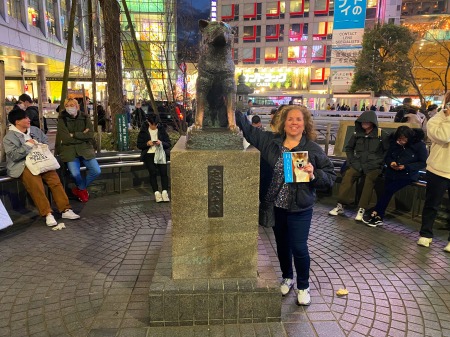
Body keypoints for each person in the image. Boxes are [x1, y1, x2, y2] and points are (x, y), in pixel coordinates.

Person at [236, 105, 336, 306]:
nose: (294, 123)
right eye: (290, 119)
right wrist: (232, 107)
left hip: (299, 208)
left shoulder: (312, 149)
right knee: (282, 246)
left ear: (305, 123)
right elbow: (248, 130)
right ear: (283, 122)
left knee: (299, 248)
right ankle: (287, 277)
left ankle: (303, 286)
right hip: (276, 206)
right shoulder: (271, 142)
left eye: (299, 119)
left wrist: (314, 174)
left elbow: (331, 177)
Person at [3, 108, 80, 226]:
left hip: (41, 161)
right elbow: (14, 156)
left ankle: (65, 209)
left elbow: (45, 140)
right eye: (25, 118)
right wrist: (28, 145)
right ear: (17, 121)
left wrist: (39, 144)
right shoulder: (9, 137)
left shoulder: (34, 130)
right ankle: (47, 213)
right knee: (36, 185)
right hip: (22, 165)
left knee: (54, 180)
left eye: (28, 117)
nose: (29, 119)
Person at [329, 110, 389, 221]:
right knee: (348, 177)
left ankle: (361, 209)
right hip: (358, 163)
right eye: (361, 121)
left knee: (369, 182)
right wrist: (353, 161)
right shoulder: (356, 134)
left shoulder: (381, 135)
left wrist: (379, 163)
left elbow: (387, 151)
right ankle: (340, 205)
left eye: (366, 121)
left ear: (372, 122)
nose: (363, 123)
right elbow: (349, 148)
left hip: (373, 166)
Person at [362, 126, 428, 227]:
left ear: (409, 137)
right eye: (399, 138)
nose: (401, 141)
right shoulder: (394, 143)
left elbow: (423, 162)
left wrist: (406, 167)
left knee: (388, 190)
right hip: (392, 172)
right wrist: (391, 163)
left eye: (404, 138)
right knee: (386, 191)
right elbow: (388, 156)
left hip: (407, 175)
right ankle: (379, 215)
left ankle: (377, 212)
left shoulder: (419, 145)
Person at [417, 92, 450, 252]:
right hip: (438, 169)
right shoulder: (437, 119)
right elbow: (444, 136)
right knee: (432, 204)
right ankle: (426, 234)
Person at [57, 98, 101, 203]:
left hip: (85, 149)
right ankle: (82, 190)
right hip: (69, 151)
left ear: (77, 106)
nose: (70, 107)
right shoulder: (62, 119)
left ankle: (80, 189)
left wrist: (74, 134)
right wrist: (82, 134)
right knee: (75, 174)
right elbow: (65, 138)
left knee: (96, 170)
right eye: (67, 105)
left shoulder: (85, 117)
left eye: (72, 105)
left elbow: (90, 134)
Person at [137, 113, 171, 203]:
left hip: (160, 153)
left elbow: (168, 143)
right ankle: (156, 193)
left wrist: (161, 142)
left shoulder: (161, 130)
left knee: (164, 173)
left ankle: (164, 192)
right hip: (149, 154)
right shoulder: (144, 131)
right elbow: (139, 145)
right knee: (153, 172)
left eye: (155, 124)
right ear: (148, 122)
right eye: (152, 124)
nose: (154, 126)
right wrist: (147, 144)